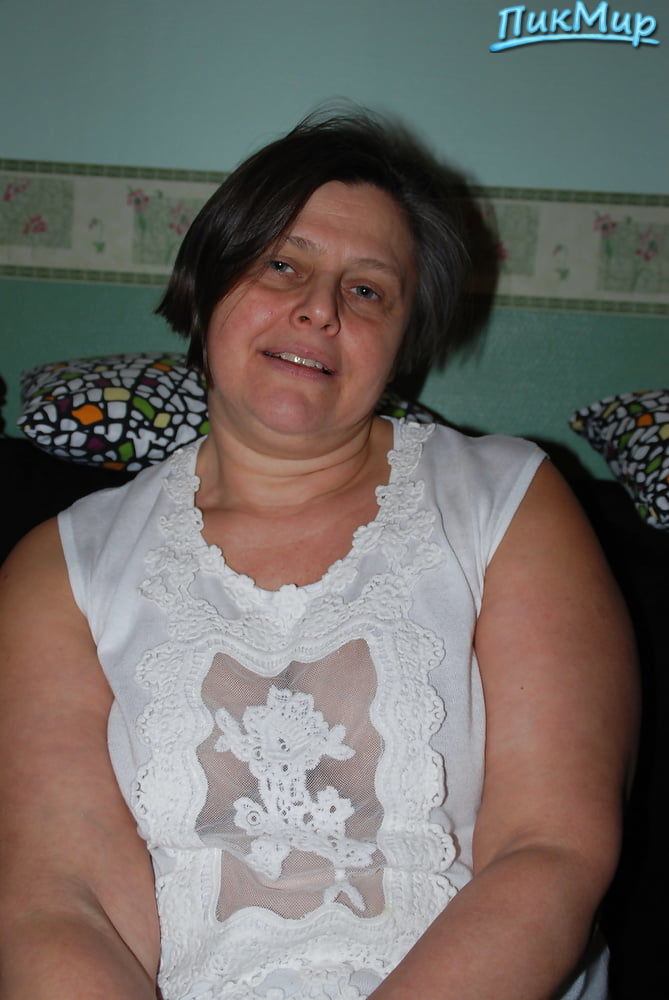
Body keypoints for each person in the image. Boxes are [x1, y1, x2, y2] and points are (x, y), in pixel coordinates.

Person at [0, 111, 638, 1000]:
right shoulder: (60, 569)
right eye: (281, 265)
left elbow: (551, 849)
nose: (319, 309)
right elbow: (62, 904)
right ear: (209, 280)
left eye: (367, 290)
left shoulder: (506, 501)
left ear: (402, 341)